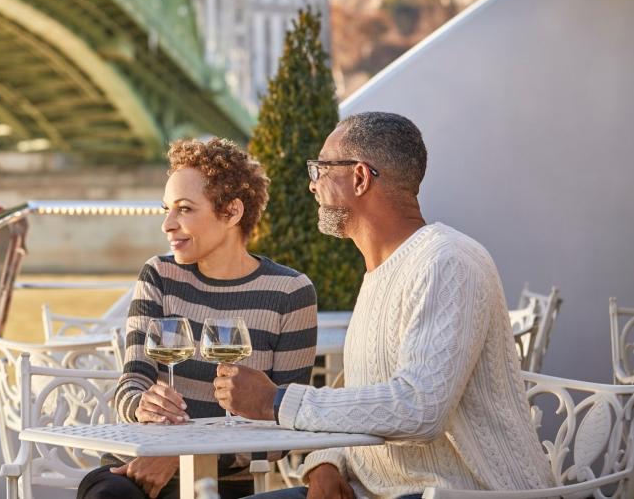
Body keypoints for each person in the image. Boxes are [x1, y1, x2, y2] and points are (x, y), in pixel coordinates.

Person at [214, 112, 553, 499]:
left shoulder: (447, 261)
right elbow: (364, 397)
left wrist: (276, 400)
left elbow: (420, 408)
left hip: (469, 493)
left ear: (359, 177)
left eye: (320, 169)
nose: (312, 186)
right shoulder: (381, 272)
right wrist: (326, 463)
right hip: (379, 490)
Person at [78, 138, 318, 499]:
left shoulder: (290, 292)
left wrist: (182, 456)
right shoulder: (159, 275)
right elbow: (131, 384)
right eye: (166, 209)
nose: (167, 225)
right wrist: (142, 405)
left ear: (232, 212)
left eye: (185, 209)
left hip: (223, 484)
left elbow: (286, 427)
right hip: (136, 470)